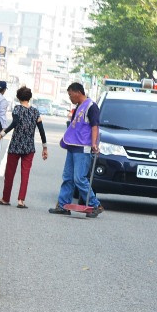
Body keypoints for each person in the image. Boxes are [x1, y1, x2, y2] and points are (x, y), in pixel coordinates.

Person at [50, 82, 102, 217]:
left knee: (79, 179)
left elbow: (94, 126)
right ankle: (63, 205)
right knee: (68, 177)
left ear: (78, 92)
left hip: (83, 147)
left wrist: (94, 144)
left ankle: (95, 205)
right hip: (72, 146)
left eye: (70, 94)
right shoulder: (78, 106)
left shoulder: (91, 106)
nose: (70, 97)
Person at [0, 86, 47, 208]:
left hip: (16, 145)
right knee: (25, 174)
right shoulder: (35, 112)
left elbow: (13, 124)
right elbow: (41, 130)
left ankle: (5, 198)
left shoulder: (17, 109)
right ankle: (21, 200)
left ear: (18, 97)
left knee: (10, 173)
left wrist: (0, 136)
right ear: (29, 97)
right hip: (29, 148)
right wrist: (45, 147)